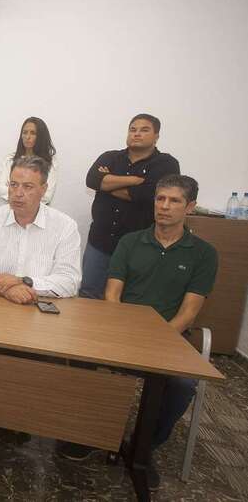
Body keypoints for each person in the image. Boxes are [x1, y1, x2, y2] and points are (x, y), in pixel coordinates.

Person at [60, 175, 217, 491]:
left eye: (174, 201)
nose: (164, 207)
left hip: (169, 337)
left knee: (182, 385)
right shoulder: (130, 242)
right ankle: (91, 431)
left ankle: (143, 447)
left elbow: (188, 312)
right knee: (80, 360)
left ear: (190, 207)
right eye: (160, 199)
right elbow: (112, 295)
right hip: (121, 330)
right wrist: (124, 335)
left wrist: (155, 341)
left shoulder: (203, 253)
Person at [80, 113, 180, 299]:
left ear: (156, 136)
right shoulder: (110, 157)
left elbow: (148, 194)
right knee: (88, 294)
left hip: (139, 247)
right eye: (133, 129)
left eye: (144, 130)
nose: (137, 134)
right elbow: (92, 179)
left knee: (130, 300)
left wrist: (107, 185)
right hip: (100, 242)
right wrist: (134, 181)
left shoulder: (166, 164)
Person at [0, 155, 81, 302]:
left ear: (43, 190)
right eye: (13, 184)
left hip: (40, 310)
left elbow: (69, 281)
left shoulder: (65, 226)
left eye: (27, 186)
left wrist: (23, 281)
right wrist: (3, 288)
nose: (18, 193)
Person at [0, 117, 57, 205]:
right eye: (25, 132)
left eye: (33, 133)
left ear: (41, 137)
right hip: (11, 210)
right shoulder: (10, 159)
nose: (27, 137)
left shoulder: (50, 162)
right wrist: (31, 190)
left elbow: (46, 196)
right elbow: (1, 190)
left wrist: (12, 187)